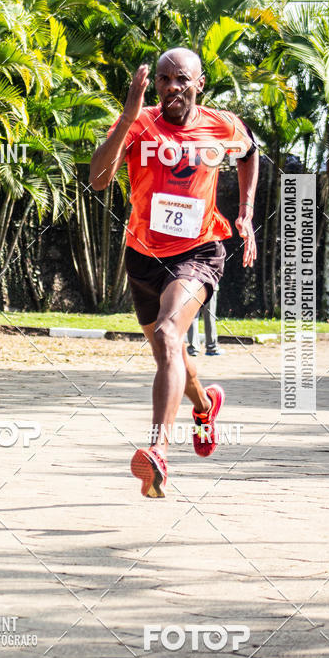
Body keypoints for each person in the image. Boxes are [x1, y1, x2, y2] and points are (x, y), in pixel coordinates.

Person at [89, 48, 258, 498]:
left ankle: (158, 451)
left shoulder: (222, 125)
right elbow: (99, 180)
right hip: (142, 255)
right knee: (172, 353)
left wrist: (245, 212)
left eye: (180, 78)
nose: (170, 87)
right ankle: (205, 406)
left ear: (199, 83)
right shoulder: (139, 124)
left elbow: (249, 152)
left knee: (168, 335)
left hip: (198, 253)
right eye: (162, 79)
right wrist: (126, 116)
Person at [187, 282, 223, 356]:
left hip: (193, 284)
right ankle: (212, 348)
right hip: (210, 284)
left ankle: (193, 349)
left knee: (193, 317)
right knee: (209, 317)